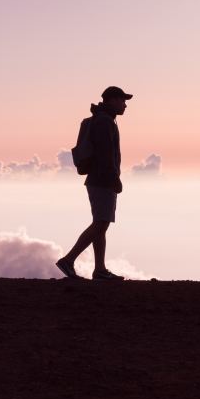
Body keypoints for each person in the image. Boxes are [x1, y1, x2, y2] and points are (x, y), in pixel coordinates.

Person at [56, 86, 132, 281]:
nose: (125, 105)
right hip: (102, 180)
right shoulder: (105, 122)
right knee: (101, 222)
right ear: (112, 100)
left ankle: (99, 269)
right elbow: (106, 155)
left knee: (101, 223)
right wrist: (115, 179)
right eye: (123, 101)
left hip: (97, 179)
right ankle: (68, 260)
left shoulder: (102, 120)